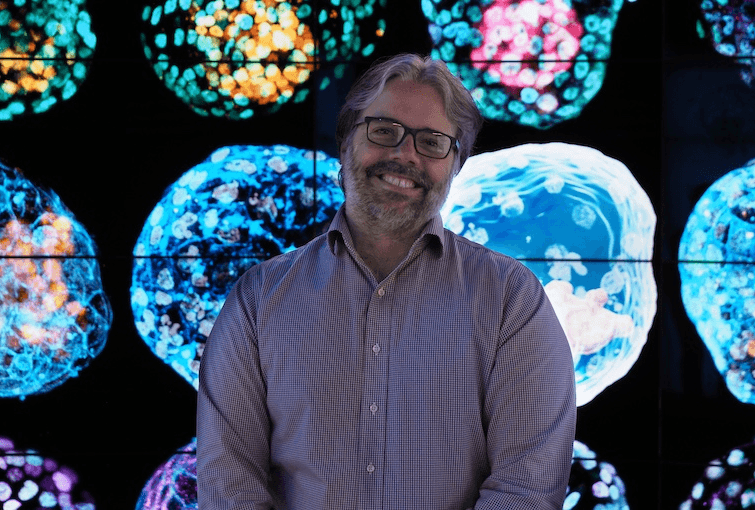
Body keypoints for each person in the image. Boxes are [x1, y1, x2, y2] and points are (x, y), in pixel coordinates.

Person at [197, 53, 577, 509]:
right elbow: (229, 489)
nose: (404, 155)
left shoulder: (512, 299)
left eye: (432, 142)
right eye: (383, 130)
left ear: (456, 165)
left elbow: (527, 490)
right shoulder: (258, 300)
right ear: (345, 143)